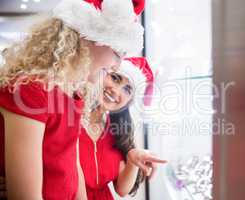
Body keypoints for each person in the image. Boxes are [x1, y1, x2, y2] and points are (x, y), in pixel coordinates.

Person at [0, 0, 145, 199]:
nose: (117, 65)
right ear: (88, 37)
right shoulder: (30, 90)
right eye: (118, 53)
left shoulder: (73, 94)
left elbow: (71, 166)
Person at [79, 57, 167, 199]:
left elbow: (121, 190)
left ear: (129, 102)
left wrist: (132, 160)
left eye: (127, 89)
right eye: (115, 78)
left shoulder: (117, 130)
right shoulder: (70, 117)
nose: (116, 91)